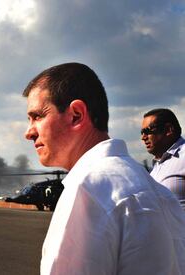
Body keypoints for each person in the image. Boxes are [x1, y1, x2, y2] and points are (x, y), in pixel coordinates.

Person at [23, 62, 185, 274]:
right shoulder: (159, 192)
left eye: (38, 116)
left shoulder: (90, 188)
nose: (29, 132)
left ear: (76, 115)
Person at [141, 108, 185, 208]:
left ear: (168, 130)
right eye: (142, 132)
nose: (143, 137)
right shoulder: (156, 166)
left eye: (147, 131)